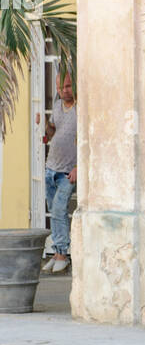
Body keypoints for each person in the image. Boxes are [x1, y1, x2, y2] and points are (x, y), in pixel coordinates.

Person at [42, 69, 77, 274]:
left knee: (59, 211)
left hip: (67, 172)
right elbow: (53, 130)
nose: (63, 91)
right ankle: (56, 253)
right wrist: (44, 127)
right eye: (59, 87)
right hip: (50, 167)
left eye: (67, 86)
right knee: (53, 212)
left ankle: (63, 254)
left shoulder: (81, 108)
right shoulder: (56, 106)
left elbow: (88, 139)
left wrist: (78, 167)